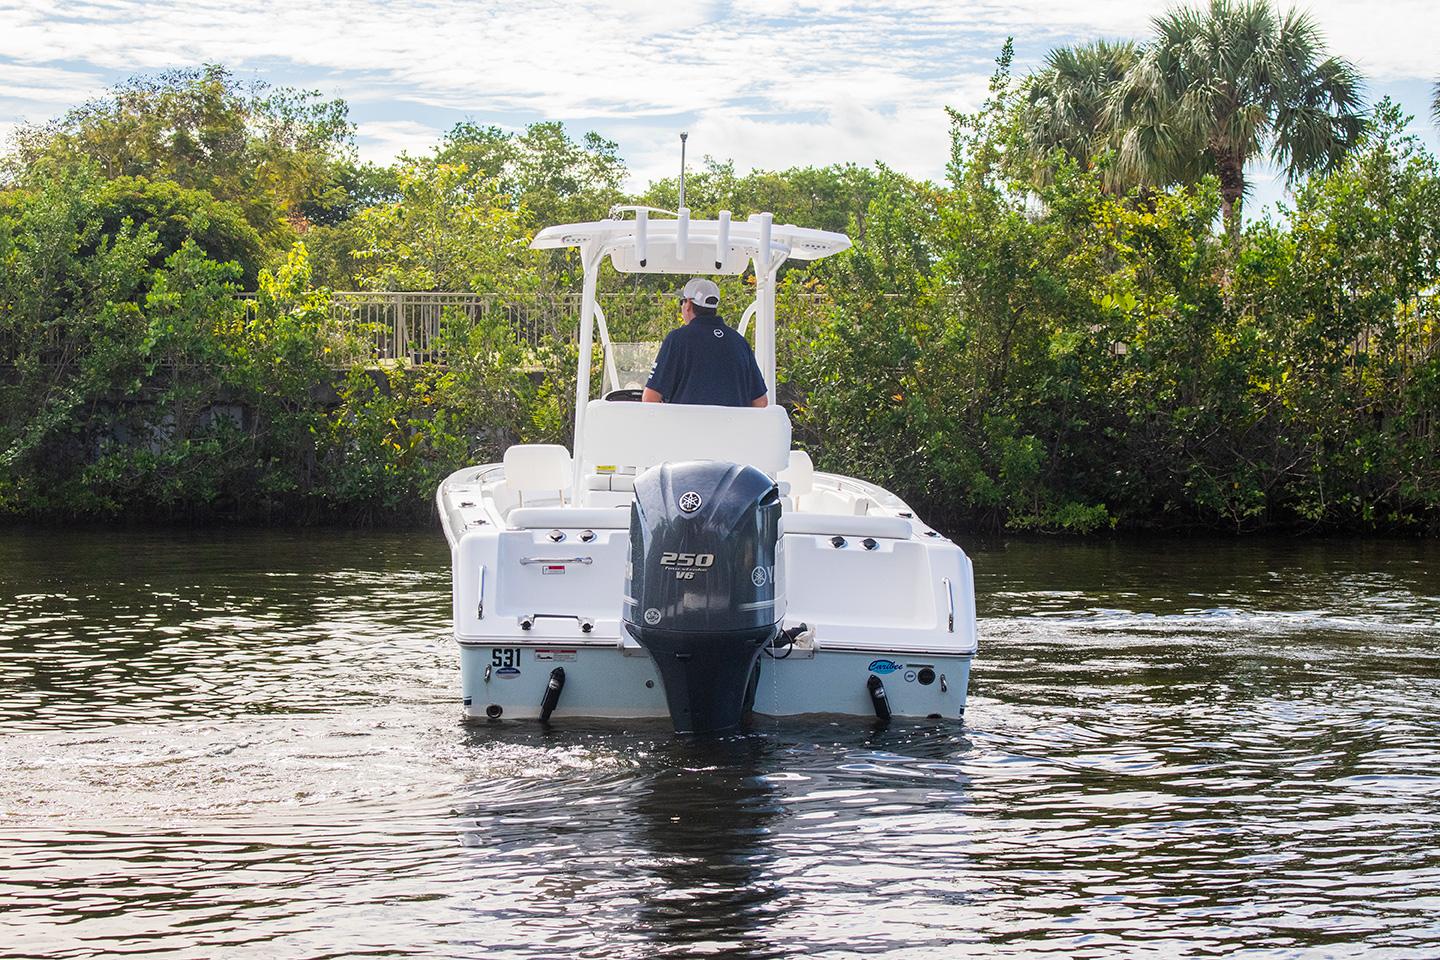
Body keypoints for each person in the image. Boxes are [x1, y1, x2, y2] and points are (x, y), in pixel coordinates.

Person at [642, 278, 769, 407]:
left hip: (687, 421)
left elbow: (650, 398)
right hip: (733, 421)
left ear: (688, 304)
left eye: (682, 301)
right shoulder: (739, 342)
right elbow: (761, 401)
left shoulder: (677, 340)